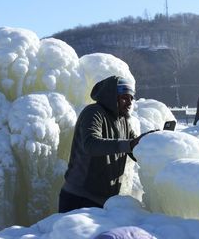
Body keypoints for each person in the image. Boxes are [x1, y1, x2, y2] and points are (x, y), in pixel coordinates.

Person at [59, 75, 154, 213]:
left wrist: (151, 143)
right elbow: (90, 144)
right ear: (111, 96)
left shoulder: (124, 121)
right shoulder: (93, 112)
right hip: (79, 197)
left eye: (131, 98)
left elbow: (133, 147)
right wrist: (129, 144)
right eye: (124, 97)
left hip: (104, 200)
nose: (129, 102)